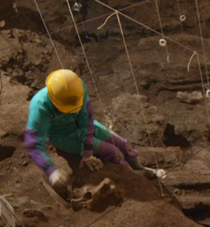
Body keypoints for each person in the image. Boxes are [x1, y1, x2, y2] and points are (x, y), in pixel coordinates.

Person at [24, 69, 152, 190]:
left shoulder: (78, 87)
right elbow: (33, 145)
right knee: (113, 151)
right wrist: (51, 171)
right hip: (63, 135)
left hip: (83, 124)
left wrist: (87, 152)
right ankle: (133, 175)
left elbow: (87, 118)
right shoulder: (40, 105)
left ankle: (139, 167)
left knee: (124, 144)